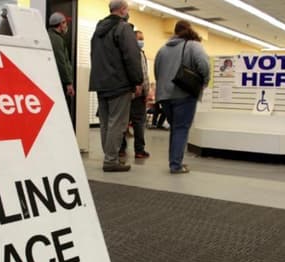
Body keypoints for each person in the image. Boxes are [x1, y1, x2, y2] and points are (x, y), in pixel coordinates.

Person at [89, 0, 143, 172]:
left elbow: (94, 56)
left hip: (101, 83)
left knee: (105, 122)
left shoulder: (98, 31)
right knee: (117, 123)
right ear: (122, 10)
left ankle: (108, 156)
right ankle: (111, 160)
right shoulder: (123, 28)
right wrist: (137, 81)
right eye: (127, 9)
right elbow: (131, 57)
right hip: (119, 83)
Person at [154, 20, 209, 174]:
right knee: (181, 129)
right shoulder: (193, 45)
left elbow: (157, 72)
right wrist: (204, 82)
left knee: (175, 128)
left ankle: (174, 162)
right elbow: (204, 64)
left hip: (164, 96)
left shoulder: (162, 49)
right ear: (189, 30)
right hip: (184, 93)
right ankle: (176, 165)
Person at [120, 30, 150, 159]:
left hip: (129, 93)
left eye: (142, 39)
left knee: (124, 122)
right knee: (138, 123)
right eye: (139, 38)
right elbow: (143, 74)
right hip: (136, 93)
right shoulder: (138, 54)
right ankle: (139, 150)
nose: (141, 41)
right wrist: (144, 90)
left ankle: (121, 149)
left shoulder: (125, 53)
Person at [48, 12, 75, 124]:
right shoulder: (57, 40)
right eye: (64, 23)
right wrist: (68, 83)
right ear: (60, 24)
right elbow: (61, 62)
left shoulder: (49, 36)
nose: (66, 26)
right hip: (59, 82)